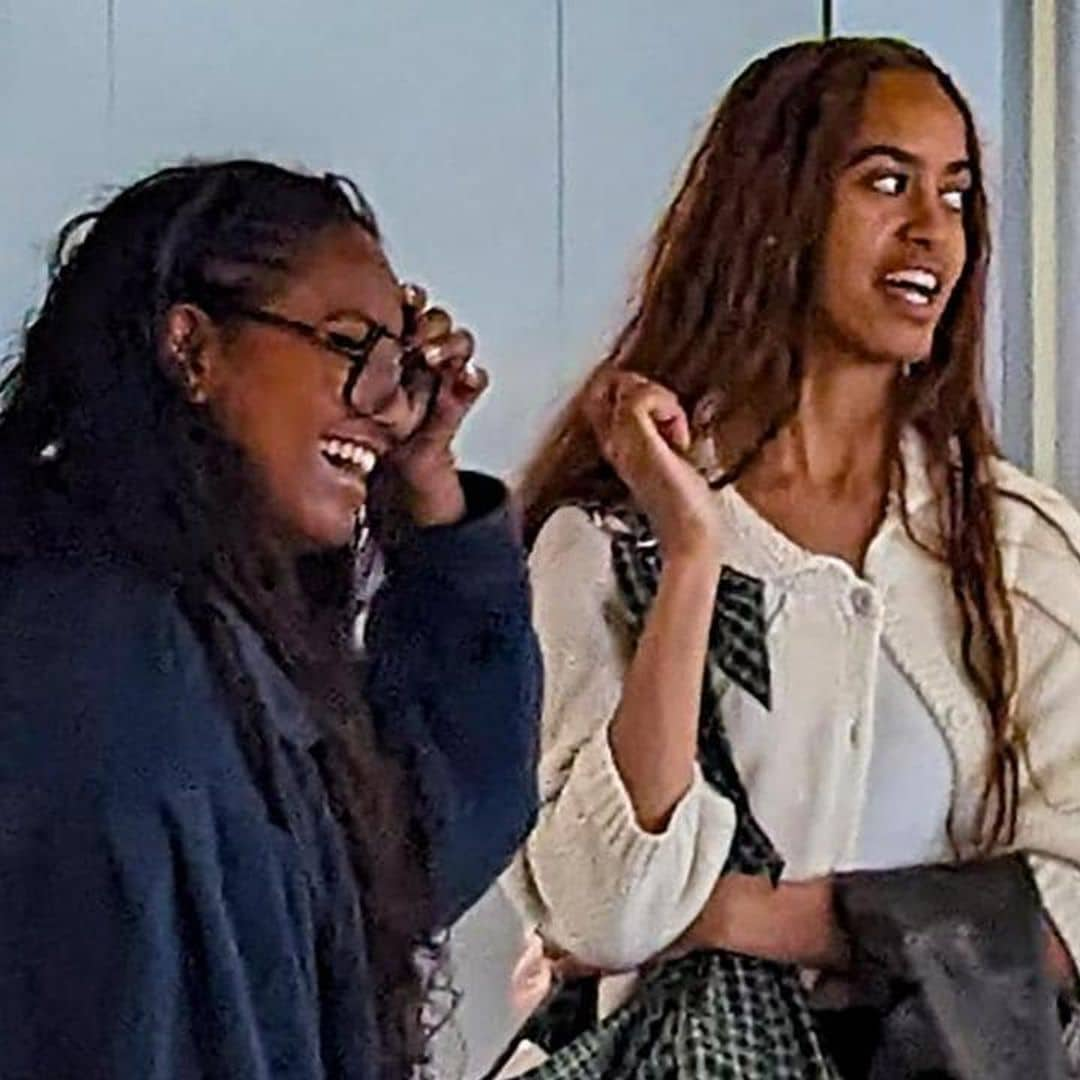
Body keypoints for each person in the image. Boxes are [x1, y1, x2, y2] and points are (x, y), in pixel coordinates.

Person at [503, 36, 1080, 1076]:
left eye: (956, 194)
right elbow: (606, 911)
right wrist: (690, 555)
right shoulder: (607, 535)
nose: (930, 230)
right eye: (886, 181)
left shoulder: (1018, 547)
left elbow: (1072, 907)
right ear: (776, 208)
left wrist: (744, 917)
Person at [0, 160, 541, 1079]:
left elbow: (414, 850)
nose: (385, 403)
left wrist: (434, 501)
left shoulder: (224, 643)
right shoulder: (88, 651)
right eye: (347, 345)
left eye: (398, 364)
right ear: (192, 348)